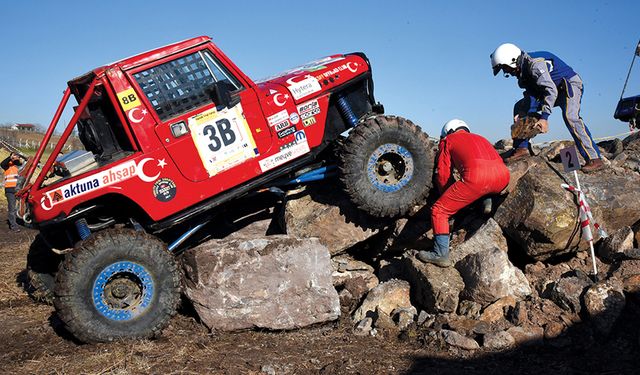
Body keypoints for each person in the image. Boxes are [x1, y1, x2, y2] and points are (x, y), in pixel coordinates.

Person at [490, 43, 605, 173]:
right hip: (550, 91)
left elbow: (550, 90)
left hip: (568, 85)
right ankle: (521, 149)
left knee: (570, 117)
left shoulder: (534, 65)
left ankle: (594, 159)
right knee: (519, 107)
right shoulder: (523, 73)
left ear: (512, 60)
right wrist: (525, 115)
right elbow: (533, 96)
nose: (507, 73)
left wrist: (544, 118)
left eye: (506, 69)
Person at [417, 119, 510, 267]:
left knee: (439, 210)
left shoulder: (448, 139)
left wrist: (446, 195)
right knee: (482, 186)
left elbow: (443, 174)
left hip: (477, 178)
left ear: (448, 131)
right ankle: (486, 200)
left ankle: (440, 254)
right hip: (503, 178)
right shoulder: (481, 138)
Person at [1, 152, 22, 232]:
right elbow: (2, 163)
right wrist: (11, 157)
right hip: (10, 190)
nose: (16, 157)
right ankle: (14, 226)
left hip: (20, 189)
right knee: (12, 208)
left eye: (17, 156)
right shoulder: (7, 165)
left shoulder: (20, 166)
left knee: (21, 206)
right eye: (14, 155)